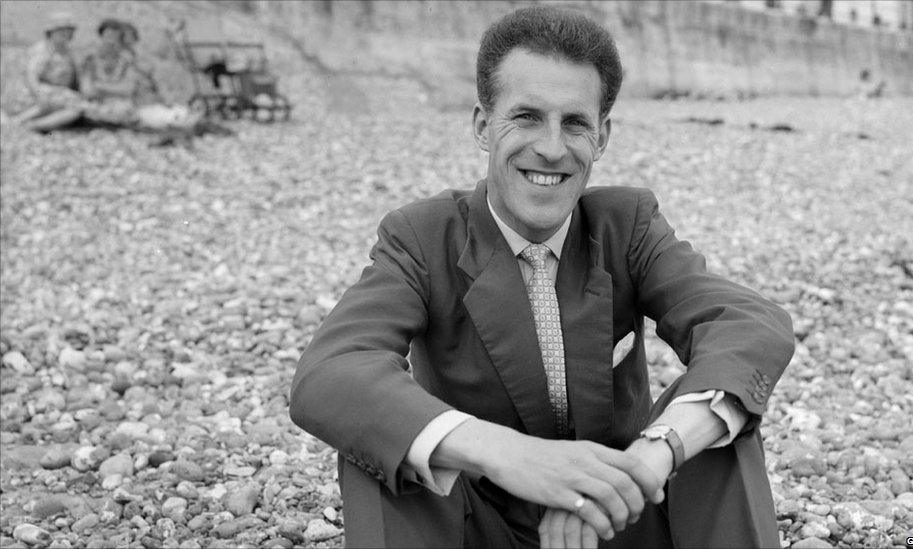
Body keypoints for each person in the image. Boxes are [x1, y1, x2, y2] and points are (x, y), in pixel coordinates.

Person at [290, 6, 794, 549]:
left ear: (601, 137)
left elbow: (748, 324)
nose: (552, 147)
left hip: (618, 517)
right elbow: (331, 371)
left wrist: (655, 454)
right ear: (484, 126)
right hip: (480, 527)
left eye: (574, 123)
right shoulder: (421, 236)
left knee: (721, 414)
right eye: (527, 116)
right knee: (385, 441)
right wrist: (512, 456)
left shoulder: (628, 225)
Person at [14, 12, 86, 132]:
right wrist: (39, 95)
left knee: (77, 108)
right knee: (74, 103)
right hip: (36, 92)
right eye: (60, 30)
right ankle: (20, 122)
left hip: (58, 94)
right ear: (51, 32)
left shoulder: (68, 52)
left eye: (67, 30)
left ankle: (35, 125)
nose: (64, 33)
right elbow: (31, 75)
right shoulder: (43, 50)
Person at [79, 18, 139, 126]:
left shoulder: (126, 60)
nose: (111, 41)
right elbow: (87, 90)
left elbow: (128, 89)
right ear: (101, 37)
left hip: (119, 104)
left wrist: (100, 86)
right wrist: (114, 89)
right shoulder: (90, 59)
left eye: (115, 38)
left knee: (124, 109)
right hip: (95, 104)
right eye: (108, 36)